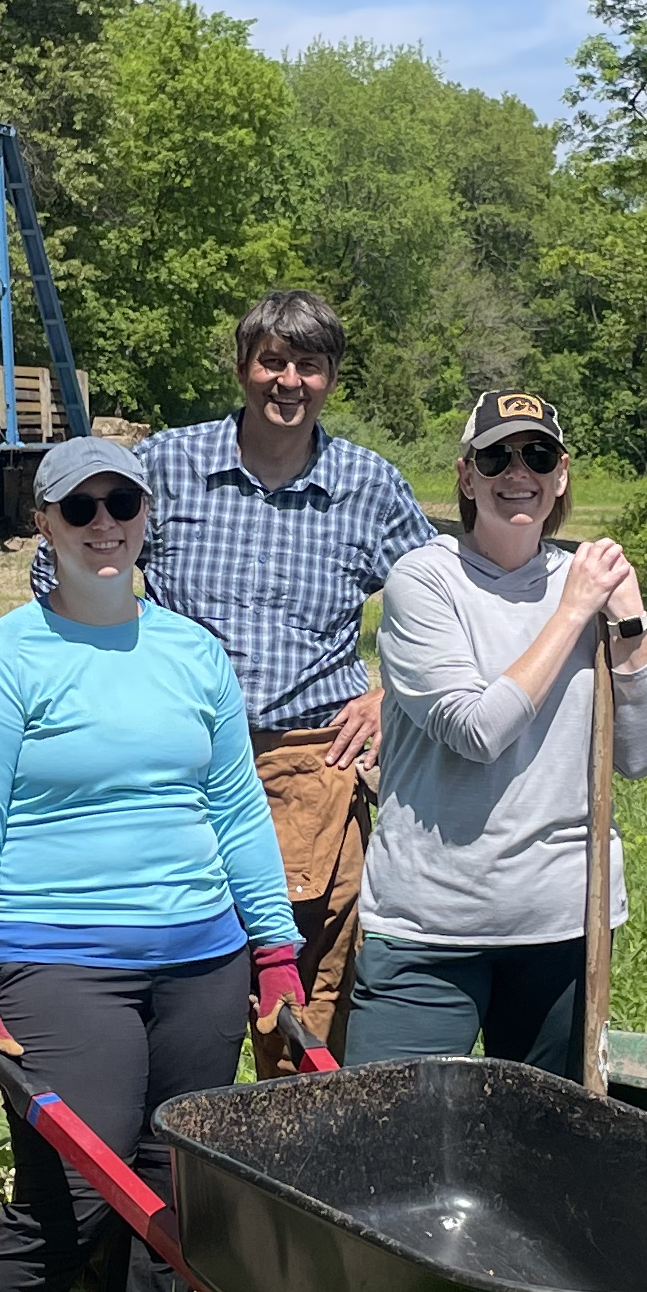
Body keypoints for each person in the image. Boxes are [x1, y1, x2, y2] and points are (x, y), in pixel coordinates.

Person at [0, 435, 306, 1292]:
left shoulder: (190, 651)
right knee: (75, 1196)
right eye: (77, 508)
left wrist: (277, 950)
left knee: (179, 1187)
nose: (102, 526)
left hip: (201, 961)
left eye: (120, 503)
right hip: (60, 962)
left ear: (147, 514)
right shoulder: (3, 663)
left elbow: (238, 809)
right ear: (41, 523)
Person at [45, 289, 430, 1040]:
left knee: (305, 1005)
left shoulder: (370, 485)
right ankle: (179, 1142)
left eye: (309, 367)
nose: (288, 382)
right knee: (182, 981)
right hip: (173, 763)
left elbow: (443, 606)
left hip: (311, 764)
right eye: (273, 361)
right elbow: (57, 571)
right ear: (243, 368)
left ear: (332, 378)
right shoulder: (165, 466)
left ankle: (289, 1152)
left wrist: (394, 695)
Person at [342, 389, 647, 1077]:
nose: (518, 473)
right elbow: (476, 729)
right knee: (393, 1146)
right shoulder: (425, 582)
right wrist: (575, 611)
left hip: (561, 924)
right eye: (496, 457)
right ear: (466, 475)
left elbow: (640, 754)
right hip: (429, 925)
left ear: (563, 473)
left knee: (542, 1158)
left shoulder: (589, 580)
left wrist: (630, 629)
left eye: (537, 455)